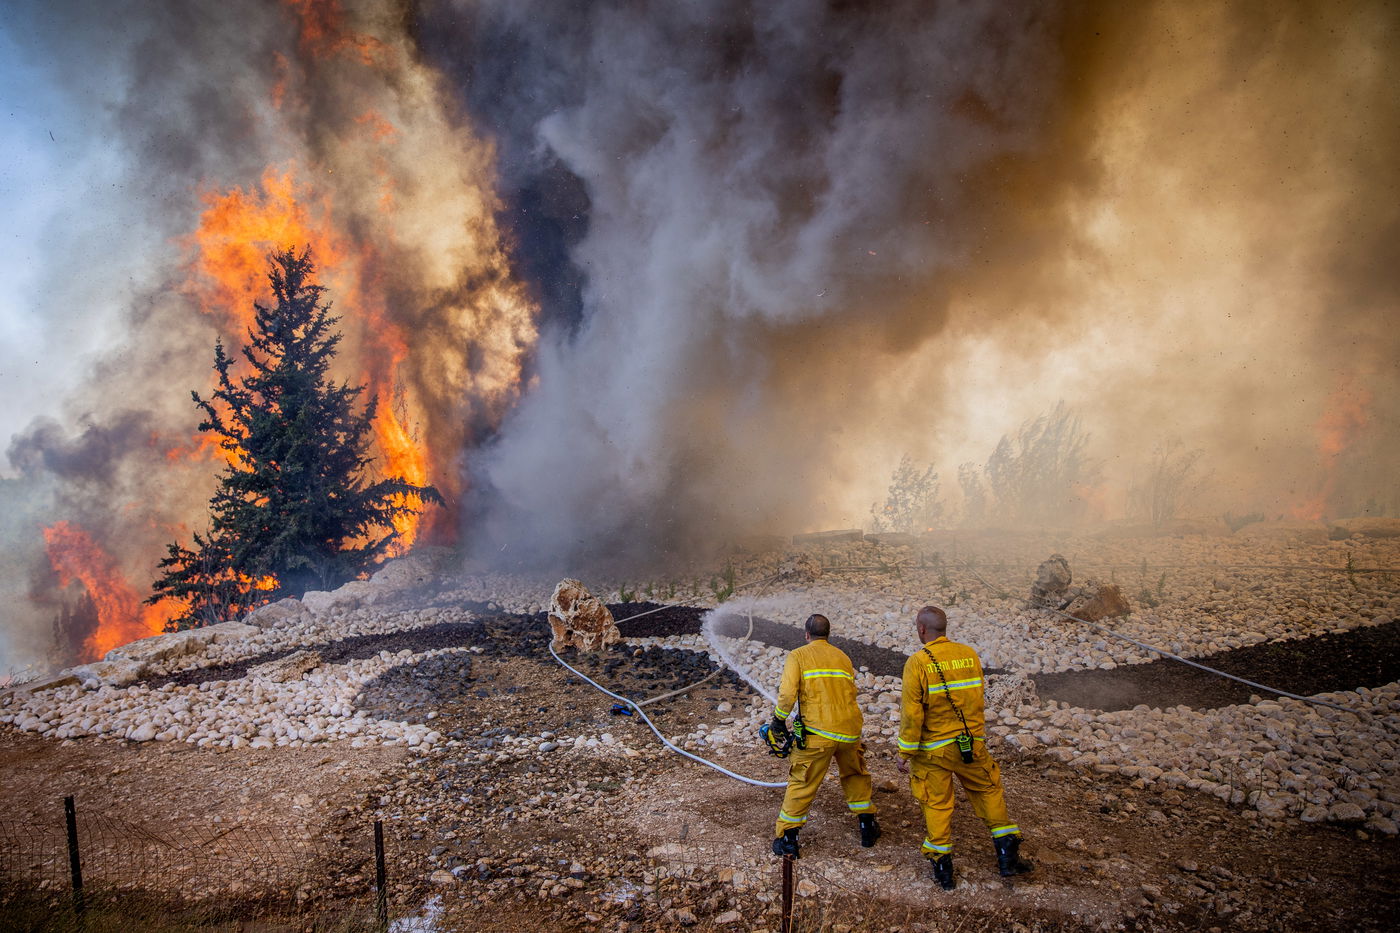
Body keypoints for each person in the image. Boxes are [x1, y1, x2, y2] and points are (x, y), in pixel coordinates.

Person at [897, 605, 1032, 889]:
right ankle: (1008, 856)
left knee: (937, 803)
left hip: (934, 751)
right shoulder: (968, 654)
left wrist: (905, 751)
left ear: (921, 629)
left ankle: (943, 869)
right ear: (944, 628)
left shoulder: (918, 662)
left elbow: (912, 714)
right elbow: (975, 699)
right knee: (988, 791)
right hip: (971, 744)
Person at [769, 613, 880, 857]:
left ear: (806, 635)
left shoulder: (798, 655)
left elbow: (788, 693)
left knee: (803, 781)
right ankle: (867, 826)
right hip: (849, 730)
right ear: (828, 634)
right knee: (855, 775)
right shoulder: (842, 657)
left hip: (818, 733)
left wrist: (778, 720)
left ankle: (788, 838)